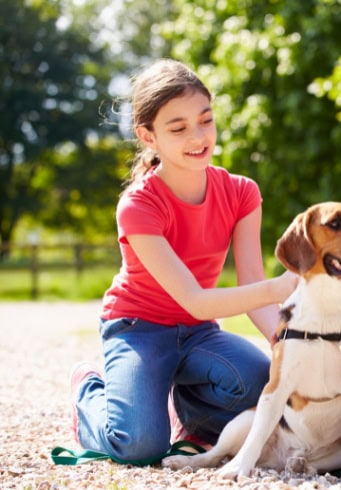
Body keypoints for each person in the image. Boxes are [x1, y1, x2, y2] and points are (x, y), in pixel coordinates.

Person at [69, 59, 297, 463]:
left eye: (205, 121)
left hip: (198, 333)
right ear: (148, 135)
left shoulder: (242, 193)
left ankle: (189, 414)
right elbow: (195, 297)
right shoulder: (138, 206)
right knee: (140, 446)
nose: (198, 136)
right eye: (178, 128)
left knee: (260, 381)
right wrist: (278, 288)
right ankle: (88, 391)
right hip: (138, 330)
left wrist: (287, 342)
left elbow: (253, 291)